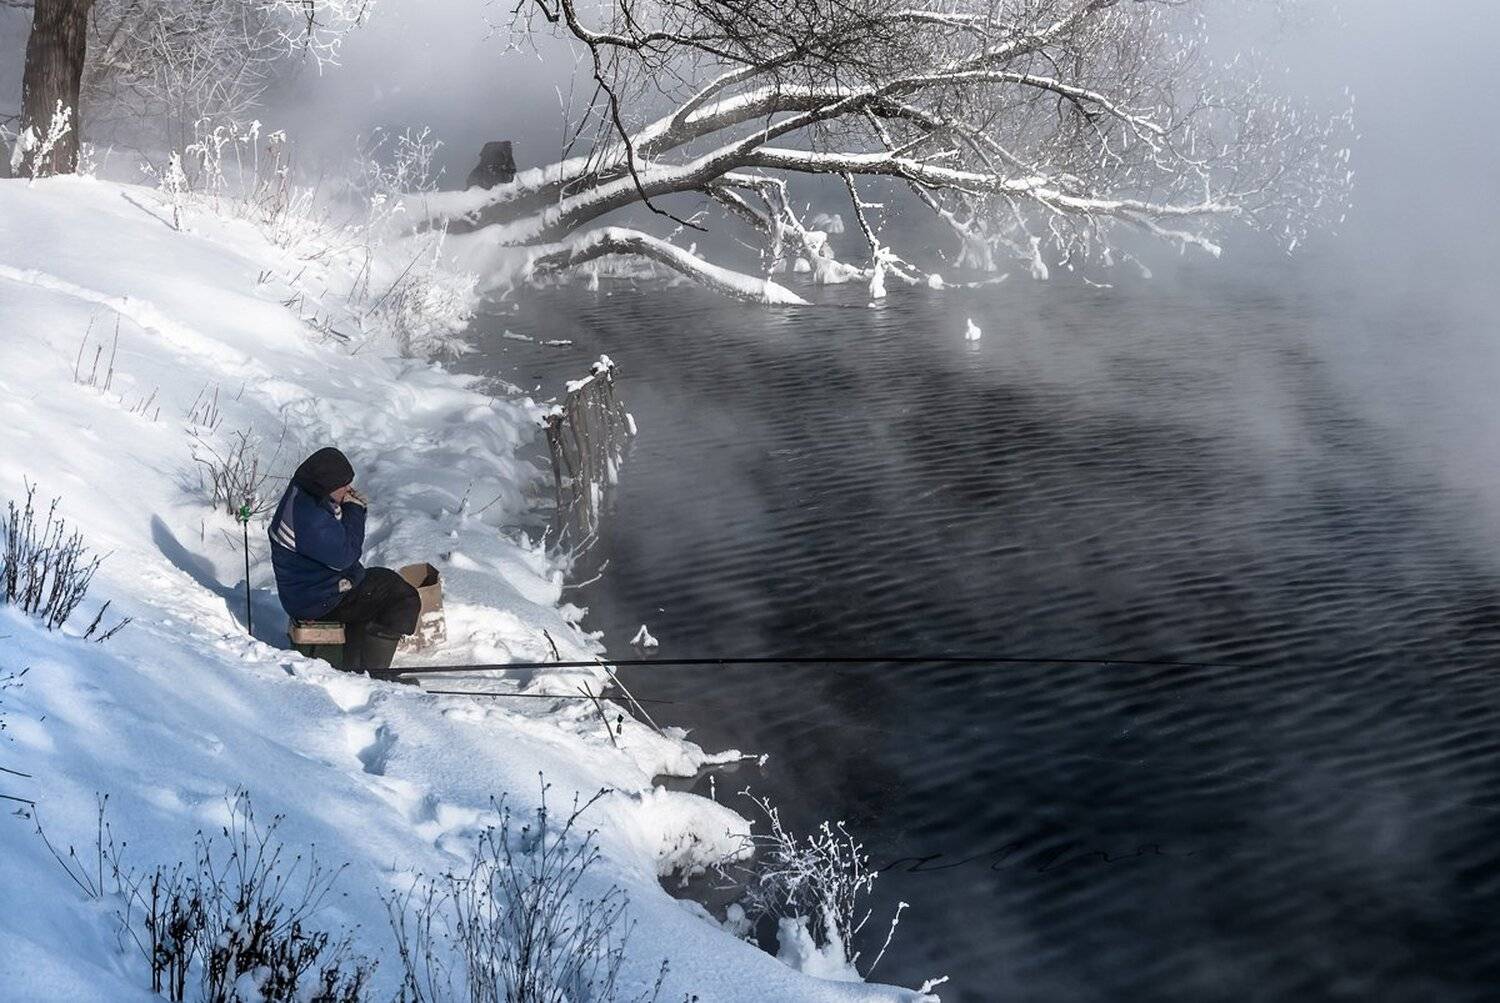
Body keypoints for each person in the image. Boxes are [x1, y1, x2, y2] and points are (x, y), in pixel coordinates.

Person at [269, 446, 419, 672]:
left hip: (308, 591)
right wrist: (355, 510)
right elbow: (347, 555)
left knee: (380, 582)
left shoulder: (303, 492)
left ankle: (356, 654)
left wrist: (343, 504)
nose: (348, 489)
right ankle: (374, 672)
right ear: (325, 487)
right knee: (402, 597)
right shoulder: (310, 520)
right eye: (343, 486)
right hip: (318, 602)